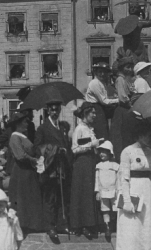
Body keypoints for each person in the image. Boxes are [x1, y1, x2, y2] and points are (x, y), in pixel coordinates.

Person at [115, 120, 151, 250]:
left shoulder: (150, 152)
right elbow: (124, 178)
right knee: (132, 230)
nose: (150, 138)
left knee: (145, 230)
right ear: (138, 134)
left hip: (146, 193)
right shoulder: (127, 152)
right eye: (147, 135)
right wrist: (127, 200)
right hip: (133, 192)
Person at [34, 101, 70, 242]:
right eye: (52, 110)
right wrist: (54, 149)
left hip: (61, 168)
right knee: (50, 198)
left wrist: (64, 150)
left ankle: (61, 225)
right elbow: (37, 147)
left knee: (61, 196)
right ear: (48, 110)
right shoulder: (42, 128)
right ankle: (50, 227)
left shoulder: (62, 127)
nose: (55, 112)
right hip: (50, 169)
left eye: (57, 109)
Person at [6, 111, 43, 235]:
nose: (27, 124)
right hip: (21, 171)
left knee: (29, 196)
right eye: (24, 122)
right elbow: (20, 156)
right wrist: (35, 160)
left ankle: (30, 223)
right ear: (18, 124)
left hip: (28, 171)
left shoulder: (23, 136)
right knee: (22, 197)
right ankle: (22, 224)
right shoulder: (14, 136)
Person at [70, 102, 101, 239]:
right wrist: (91, 145)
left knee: (88, 193)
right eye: (92, 113)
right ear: (85, 114)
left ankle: (89, 223)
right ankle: (80, 225)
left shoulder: (89, 128)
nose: (94, 115)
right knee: (82, 193)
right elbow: (75, 149)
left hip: (90, 163)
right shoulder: (79, 129)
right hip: (82, 164)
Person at [85, 65, 119, 139]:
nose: (102, 74)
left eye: (104, 72)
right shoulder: (95, 83)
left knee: (103, 130)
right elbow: (104, 101)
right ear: (96, 72)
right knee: (100, 131)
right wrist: (118, 100)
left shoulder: (101, 83)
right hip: (94, 108)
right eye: (100, 72)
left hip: (99, 108)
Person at [95, 141, 119, 242]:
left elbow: (118, 179)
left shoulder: (115, 165)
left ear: (110, 153)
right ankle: (107, 227)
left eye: (104, 152)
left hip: (114, 191)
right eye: (100, 152)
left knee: (116, 208)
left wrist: (119, 190)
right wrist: (97, 191)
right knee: (105, 209)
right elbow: (97, 180)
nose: (102, 154)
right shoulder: (98, 166)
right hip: (103, 191)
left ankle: (116, 226)